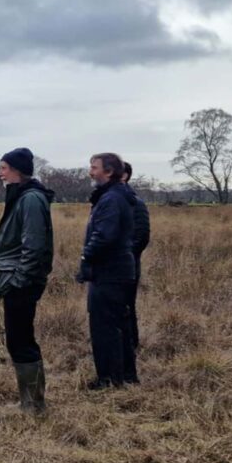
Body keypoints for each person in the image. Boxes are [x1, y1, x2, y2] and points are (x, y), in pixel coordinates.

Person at [0, 148, 56, 413]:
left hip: (22, 282)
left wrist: (19, 280)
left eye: (3, 167)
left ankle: (34, 406)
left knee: (21, 340)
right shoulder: (22, 197)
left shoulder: (30, 199)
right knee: (18, 339)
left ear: (17, 170)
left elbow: (34, 245)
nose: (0, 173)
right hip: (16, 280)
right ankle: (29, 402)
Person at [76, 153, 137, 390]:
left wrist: (86, 255)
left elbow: (104, 236)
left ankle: (109, 380)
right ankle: (126, 377)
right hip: (117, 271)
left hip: (109, 273)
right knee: (119, 325)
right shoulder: (116, 196)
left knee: (105, 328)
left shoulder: (111, 199)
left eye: (94, 167)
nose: (90, 171)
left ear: (108, 172)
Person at [122, 162, 150, 383]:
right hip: (110, 269)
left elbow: (142, 237)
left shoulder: (136, 204)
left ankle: (132, 343)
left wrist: (123, 256)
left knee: (127, 306)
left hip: (128, 266)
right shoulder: (107, 201)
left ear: (125, 176)